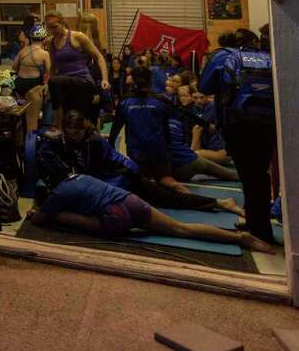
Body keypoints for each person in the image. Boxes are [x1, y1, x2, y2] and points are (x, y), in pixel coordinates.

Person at [30, 145, 272, 253]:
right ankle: (241, 238)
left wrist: (39, 211)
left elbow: (40, 219)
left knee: (58, 216)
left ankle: (240, 237)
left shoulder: (58, 193)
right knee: (182, 228)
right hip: (129, 200)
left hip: (115, 216)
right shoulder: (80, 175)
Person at [40, 109, 243, 216]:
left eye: (78, 130)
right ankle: (217, 202)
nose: (74, 134)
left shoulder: (93, 142)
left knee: (167, 200)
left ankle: (221, 202)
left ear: (85, 127)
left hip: (125, 175)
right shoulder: (72, 141)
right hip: (114, 176)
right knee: (164, 197)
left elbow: (91, 177)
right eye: (70, 130)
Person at [201, 27, 277, 244]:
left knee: (247, 175)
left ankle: (259, 231)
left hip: (237, 124)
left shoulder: (226, 56)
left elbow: (204, 87)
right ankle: (256, 222)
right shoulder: (270, 58)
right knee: (260, 174)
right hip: (267, 123)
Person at [108, 65, 181, 187]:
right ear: (150, 80)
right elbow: (169, 127)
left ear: (133, 80)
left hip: (137, 153)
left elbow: (116, 128)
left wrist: (110, 148)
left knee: (142, 186)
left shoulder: (125, 101)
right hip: (159, 152)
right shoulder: (162, 101)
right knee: (168, 184)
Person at [43, 10, 109, 124]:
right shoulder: (51, 42)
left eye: (55, 27)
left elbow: (99, 57)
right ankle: (61, 127)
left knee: (55, 82)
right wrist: (46, 84)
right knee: (73, 120)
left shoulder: (78, 37)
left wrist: (105, 79)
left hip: (83, 81)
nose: (52, 31)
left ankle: (57, 124)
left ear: (63, 23)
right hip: (65, 84)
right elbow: (53, 66)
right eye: (49, 28)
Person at [167, 84, 239, 182]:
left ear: (208, 97)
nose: (198, 101)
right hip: (210, 148)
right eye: (195, 98)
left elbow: (198, 129)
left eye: (201, 97)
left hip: (222, 151)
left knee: (193, 153)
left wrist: (191, 151)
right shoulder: (195, 109)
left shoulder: (211, 107)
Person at [11, 24, 51, 131]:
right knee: (32, 120)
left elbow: (14, 67)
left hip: (19, 85)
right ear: (44, 38)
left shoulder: (22, 51)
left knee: (21, 115)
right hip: (34, 85)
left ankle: (20, 141)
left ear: (31, 37)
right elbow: (50, 72)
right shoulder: (44, 54)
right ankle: (32, 140)